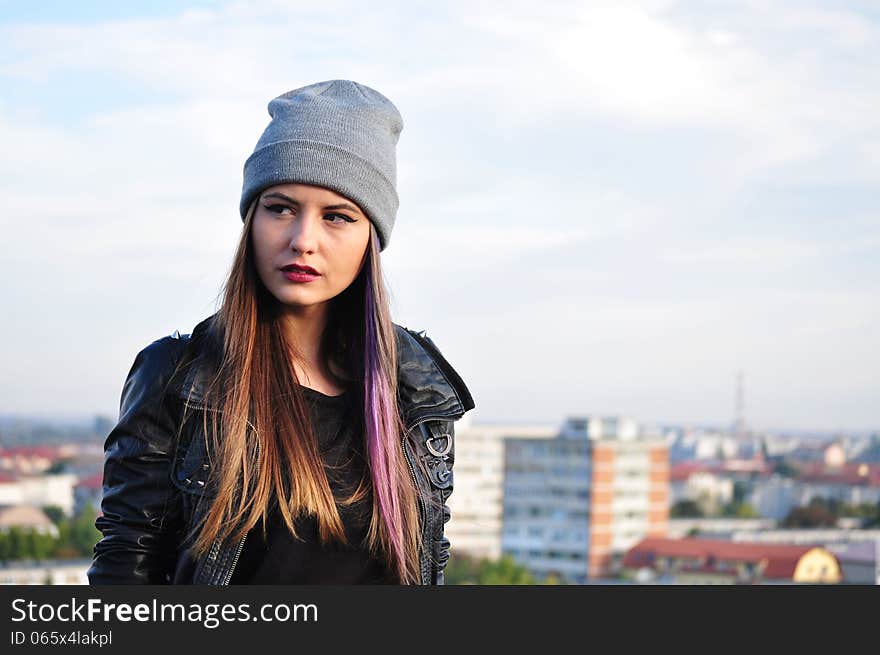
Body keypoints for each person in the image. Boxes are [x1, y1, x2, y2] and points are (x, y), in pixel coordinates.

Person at [87, 79, 475, 585]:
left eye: (337, 216)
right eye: (280, 208)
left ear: (370, 241)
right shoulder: (178, 378)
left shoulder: (415, 388)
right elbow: (125, 567)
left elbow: (428, 562)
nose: (303, 240)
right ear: (251, 219)